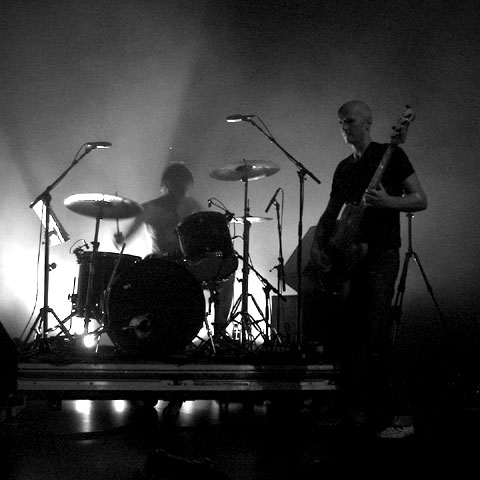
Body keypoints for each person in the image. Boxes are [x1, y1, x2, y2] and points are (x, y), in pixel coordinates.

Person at [309, 100, 427, 438]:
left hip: (380, 255)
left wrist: (389, 202)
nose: (344, 127)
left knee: (376, 334)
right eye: (340, 122)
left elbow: (420, 199)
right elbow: (330, 212)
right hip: (350, 257)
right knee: (348, 335)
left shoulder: (391, 155)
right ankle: (354, 410)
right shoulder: (344, 168)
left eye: (349, 121)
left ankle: (402, 416)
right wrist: (317, 246)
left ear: (367, 123)